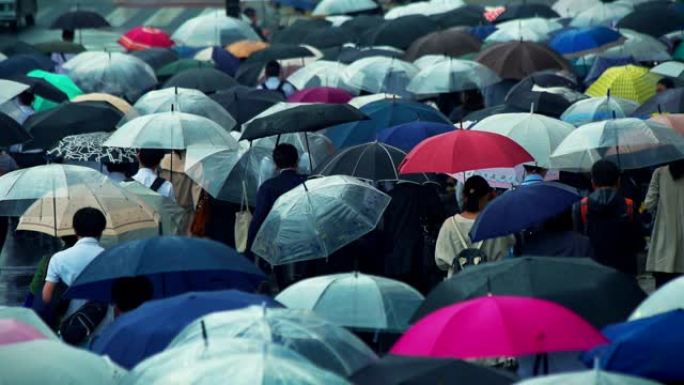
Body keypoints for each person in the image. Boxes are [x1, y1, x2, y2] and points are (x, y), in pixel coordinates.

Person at [572, 160, 644, 275]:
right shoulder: (629, 205)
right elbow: (639, 241)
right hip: (625, 270)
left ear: (593, 181)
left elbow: (579, 240)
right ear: (618, 181)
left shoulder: (581, 206)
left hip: (593, 269)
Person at [435, 176, 515, 278]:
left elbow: (441, 263)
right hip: (489, 284)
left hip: (457, 286)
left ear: (463, 196)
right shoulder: (496, 225)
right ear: (486, 197)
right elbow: (507, 250)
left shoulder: (449, 225)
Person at [42, 208, 106, 307]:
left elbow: (47, 296)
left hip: (70, 318)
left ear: (75, 230)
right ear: (102, 230)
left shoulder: (58, 258)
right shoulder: (110, 257)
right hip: (105, 318)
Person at [643, 160, 684, 288]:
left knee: (664, 291)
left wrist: (639, 209)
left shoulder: (660, 172)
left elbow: (648, 204)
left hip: (664, 241)